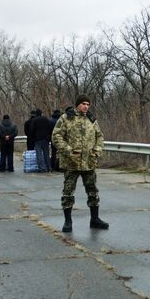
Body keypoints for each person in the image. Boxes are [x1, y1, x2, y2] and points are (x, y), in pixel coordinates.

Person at [52, 95, 108, 232]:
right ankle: (68, 221)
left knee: (93, 191)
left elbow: (99, 136)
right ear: (77, 104)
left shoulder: (91, 119)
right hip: (71, 162)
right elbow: (56, 136)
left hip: (88, 162)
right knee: (68, 192)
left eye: (88, 104)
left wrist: (96, 151)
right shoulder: (66, 118)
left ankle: (95, 219)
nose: (86, 106)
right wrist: (68, 151)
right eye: (83, 103)